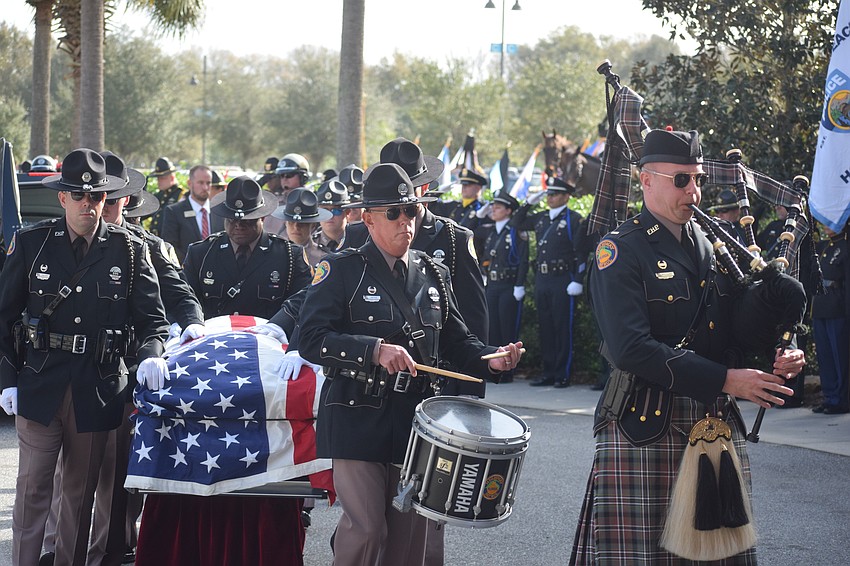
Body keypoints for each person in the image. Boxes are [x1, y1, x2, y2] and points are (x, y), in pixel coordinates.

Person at [571, 129, 806, 564]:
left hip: (713, 418)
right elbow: (631, 349)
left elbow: (732, 333)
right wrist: (724, 379)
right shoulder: (620, 251)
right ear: (646, 180)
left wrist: (781, 352)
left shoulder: (712, 246)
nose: (693, 191)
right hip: (645, 425)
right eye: (682, 180)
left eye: (697, 179)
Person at [297, 162, 524, 566]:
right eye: (393, 213)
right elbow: (310, 340)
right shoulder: (341, 269)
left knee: (407, 542)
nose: (406, 222)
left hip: (416, 423)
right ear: (367, 218)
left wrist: (493, 360)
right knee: (366, 528)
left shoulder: (433, 272)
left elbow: (460, 342)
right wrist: (373, 350)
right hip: (356, 415)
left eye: (411, 212)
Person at [0, 148, 170, 566]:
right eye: (79, 196)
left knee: (79, 493)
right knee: (33, 488)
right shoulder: (33, 243)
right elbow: (2, 317)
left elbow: (154, 321)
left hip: (98, 387)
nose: (88, 205)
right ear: (62, 199)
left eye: (96, 198)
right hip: (40, 382)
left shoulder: (129, 251)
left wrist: (151, 354)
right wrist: (6, 379)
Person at [39, 152, 207, 566]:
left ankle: (109, 550)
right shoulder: (59, 241)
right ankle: (54, 549)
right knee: (69, 473)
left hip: (126, 371)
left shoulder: (144, 248)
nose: (100, 208)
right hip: (71, 373)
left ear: (124, 202)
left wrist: (193, 324)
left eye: (109, 201)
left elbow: (179, 294)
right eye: (96, 198)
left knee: (117, 472)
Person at [183, 175, 312, 321]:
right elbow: (185, 298)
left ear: (262, 218)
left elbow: (303, 301)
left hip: (268, 339)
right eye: (232, 218)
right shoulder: (201, 254)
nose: (238, 225)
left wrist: (278, 326)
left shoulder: (289, 256)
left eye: (247, 220)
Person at [511, 177, 586, 388]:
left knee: (562, 327)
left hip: (563, 279)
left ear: (566, 197)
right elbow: (516, 223)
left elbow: (581, 252)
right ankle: (549, 371)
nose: (550, 198)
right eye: (548, 194)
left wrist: (578, 279)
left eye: (554, 194)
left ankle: (563, 374)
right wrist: (528, 203)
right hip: (542, 279)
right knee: (545, 327)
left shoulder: (574, 219)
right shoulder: (542, 217)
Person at [476, 192, 529, 383]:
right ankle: (496, 369)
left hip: (509, 285)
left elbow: (523, 260)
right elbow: (471, 231)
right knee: (493, 329)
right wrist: (478, 215)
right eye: (493, 206)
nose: (493, 210)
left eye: (498, 207)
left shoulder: (515, 232)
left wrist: (520, 284)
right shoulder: (491, 230)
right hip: (493, 284)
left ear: (508, 211)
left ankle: (508, 371)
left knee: (507, 330)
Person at [811, 220, 850, 414]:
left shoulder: (845, 245)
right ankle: (830, 396)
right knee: (825, 356)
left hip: (836, 306)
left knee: (840, 356)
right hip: (821, 306)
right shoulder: (825, 246)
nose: (826, 224)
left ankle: (841, 399)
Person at [160, 165, 224, 261]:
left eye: (208, 183)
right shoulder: (174, 212)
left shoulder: (219, 212)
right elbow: (170, 247)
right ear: (189, 183)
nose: (205, 187)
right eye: (200, 183)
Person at [272, 187, 333, 269]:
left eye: (302, 223)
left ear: (313, 226)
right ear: (285, 223)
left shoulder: (324, 258)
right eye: (291, 222)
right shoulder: (274, 253)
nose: (296, 227)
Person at [263, 153, 312, 237]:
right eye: (282, 176)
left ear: (303, 177)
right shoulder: (274, 203)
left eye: (289, 175)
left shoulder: (311, 204)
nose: (284, 179)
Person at [147, 156, 184, 236]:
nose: (159, 181)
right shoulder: (159, 195)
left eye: (162, 178)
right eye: (158, 178)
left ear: (172, 178)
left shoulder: (180, 195)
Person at [315, 178, 351, 253]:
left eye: (336, 211)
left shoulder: (358, 242)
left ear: (347, 212)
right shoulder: (309, 246)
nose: (330, 216)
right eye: (324, 211)